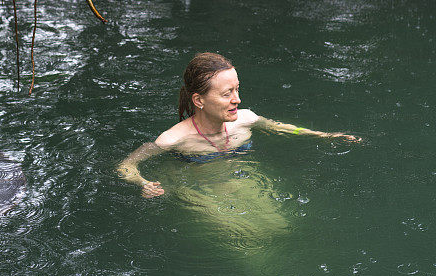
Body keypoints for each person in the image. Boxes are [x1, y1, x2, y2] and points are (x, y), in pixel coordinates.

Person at [117, 52, 360, 198]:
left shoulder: (247, 119)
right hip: (202, 190)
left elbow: (282, 128)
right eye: (227, 94)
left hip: (246, 180)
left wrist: (326, 135)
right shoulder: (174, 139)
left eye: (237, 89)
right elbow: (127, 165)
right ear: (199, 100)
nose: (237, 99)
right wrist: (144, 183)